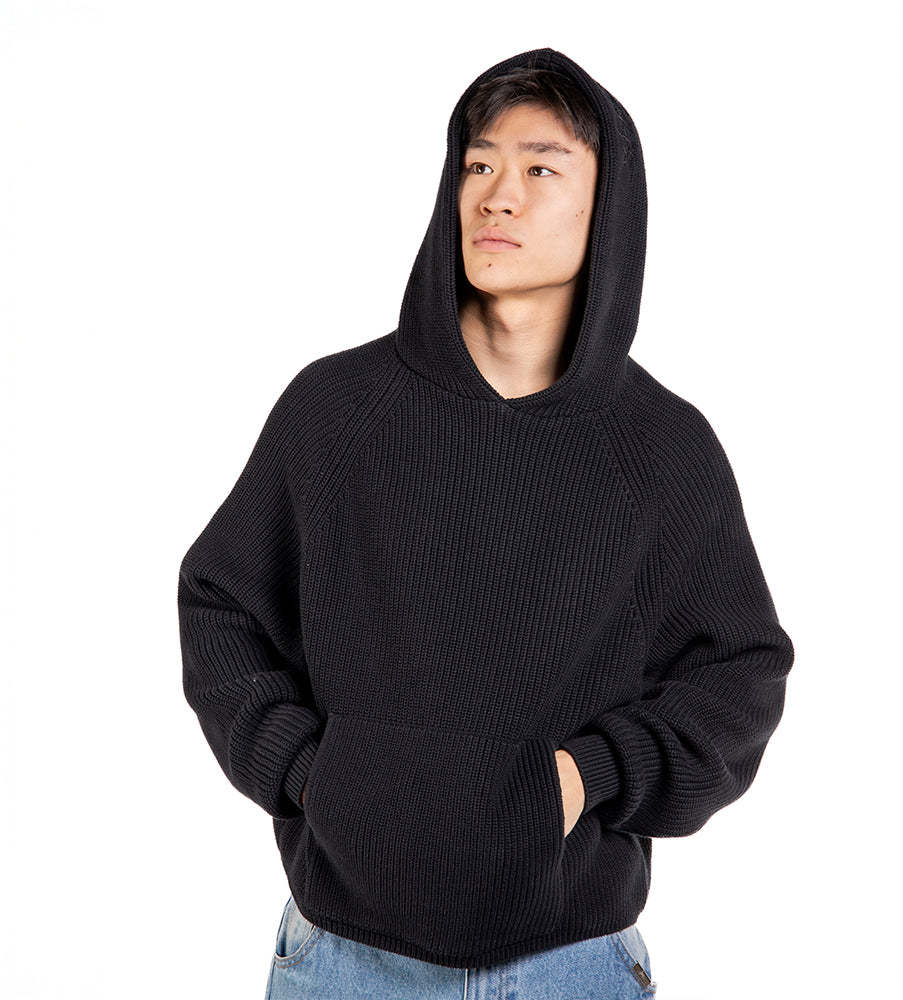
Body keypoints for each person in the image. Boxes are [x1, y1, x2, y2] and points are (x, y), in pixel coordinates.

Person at [178, 46, 794, 999]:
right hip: (343, 964)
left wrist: (588, 776)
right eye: (478, 164)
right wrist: (312, 774)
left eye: (542, 169)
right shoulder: (337, 411)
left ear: (609, 208)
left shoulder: (660, 446)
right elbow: (221, 603)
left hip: (570, 967)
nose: (497, 196)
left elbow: (740, 673)